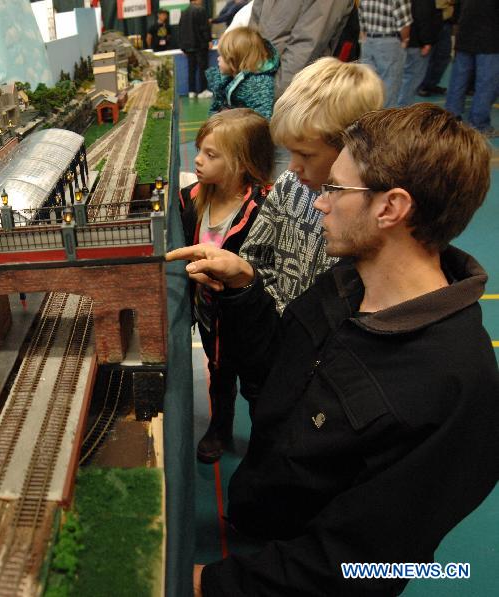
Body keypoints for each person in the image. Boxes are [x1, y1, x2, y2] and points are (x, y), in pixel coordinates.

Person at [169, 103, 498, 596]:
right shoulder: (344, 283)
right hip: (265, 518)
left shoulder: (454, 387)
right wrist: (245, 289)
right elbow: (276, 367)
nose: (318, 202)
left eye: (335, 190)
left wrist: (205, 585)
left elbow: (358, 567)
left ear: (391, 208)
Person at [239, 58, 384, 313]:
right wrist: (281, 314)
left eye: (306, 155)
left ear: (347, 148)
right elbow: (255, 255)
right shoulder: (288, 185)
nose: (292, 166)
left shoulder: (367, 211)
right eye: (291, 152)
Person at [178, 109, 274, 463]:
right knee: (218, 375)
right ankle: (220, 427)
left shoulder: (265, 208)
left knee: (257, 386)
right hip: (210, 318)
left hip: (250, 325)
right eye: (200, 149)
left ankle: (266, 441)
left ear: (242, 161)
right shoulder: (192, 199)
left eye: (211, 154)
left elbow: (275, 273)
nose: (198, 160)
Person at [249, 0, 355, 96]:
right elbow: (253, 27)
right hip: (255, 81)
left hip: (285, 93)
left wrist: (268, 96)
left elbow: (306, 49)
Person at [445, 0, 499, 136]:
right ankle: (479, 124)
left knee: (458, 81)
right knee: (486, 84)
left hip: (464, 37)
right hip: (489, 42)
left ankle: (451, 119)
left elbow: (456, 12)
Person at [206, 27, 279, 119]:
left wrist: (230, 119)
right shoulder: (226, 78)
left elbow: (262, 120)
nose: (218, 59)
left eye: (222, 56)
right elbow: (216, 108)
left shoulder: (259, 84)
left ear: (234, 59)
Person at [359, 0, 412, 107]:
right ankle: (384, 121)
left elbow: (362, 20)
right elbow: (404, 24)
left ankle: (366, 119)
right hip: (388, 42)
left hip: (368, 41)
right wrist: (405, 40)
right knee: (389, 86)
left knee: (367, 85)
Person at [397, 0, 442, 106]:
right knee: (411, 79)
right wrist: (426, 42)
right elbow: (423, 16)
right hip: (416, 42)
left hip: (404, 40)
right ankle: (402, 111)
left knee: (404, 77)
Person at [417, 0, 455, 96]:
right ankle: (422, 85)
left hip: (446, 20)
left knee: (444, 55)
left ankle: (431, 84)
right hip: (432, 18)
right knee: (429, 55)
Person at [179, 0, 212, 98]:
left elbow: (180, 30)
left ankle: (191, 91)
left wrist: (183, 47)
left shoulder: (184, 12)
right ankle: (203, 90)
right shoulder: (200, 10)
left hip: (188, 47)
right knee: (203, 69)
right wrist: (209, 40)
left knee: (191, 69)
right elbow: (204, 28)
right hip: (200, 45)